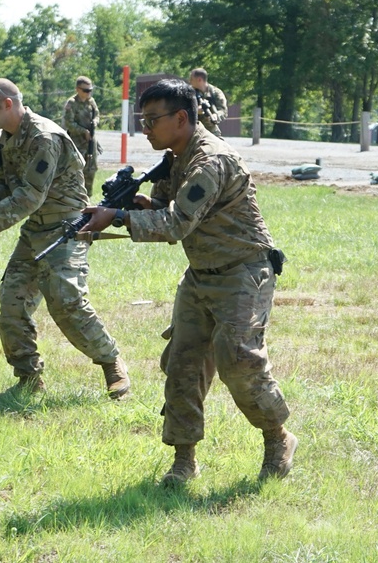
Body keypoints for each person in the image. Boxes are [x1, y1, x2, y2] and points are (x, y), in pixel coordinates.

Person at [80, 79, 296, 485]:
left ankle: (278, 438)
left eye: (152, 120)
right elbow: (167, 208)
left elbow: (177, 224)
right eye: (142, 119)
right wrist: (139, 204)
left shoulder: (209, 161)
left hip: (242, 273)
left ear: (181, 118)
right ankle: (184, 460)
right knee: (183, 364)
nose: (145, 128)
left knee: (239, 362)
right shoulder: (175, 156)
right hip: (201, 275)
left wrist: (121, 218)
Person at [0, 78, 129, 399]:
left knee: (66, 300)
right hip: (36, 228)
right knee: (12, 300)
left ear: (8, 104)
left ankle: (111, 363)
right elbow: (10, 184)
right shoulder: (4, 139)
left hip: (67, 227)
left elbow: (31, 196)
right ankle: (28, 378)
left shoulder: (44, 137)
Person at [62, 75, 99, 195]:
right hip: (76, 142)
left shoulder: (91, 102)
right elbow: (69, 123)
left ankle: (88, 196)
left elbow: (97, 115)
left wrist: (95, 122)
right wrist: (83, 131)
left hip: (90, 141)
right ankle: (75, 195)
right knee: (76, 169)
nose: (89, 93)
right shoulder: (71, 103)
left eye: (90, 90)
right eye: (86, 90)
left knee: (91, 168)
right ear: (78, 89)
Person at [189, 68, 227, 137]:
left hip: (211, 130)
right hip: (193, 131)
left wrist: (216, 115)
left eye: (191, 79)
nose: (190, 81)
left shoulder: (216, 93)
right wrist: (195, 110)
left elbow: (223, 111)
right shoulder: (189, 93)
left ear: (199, 80)